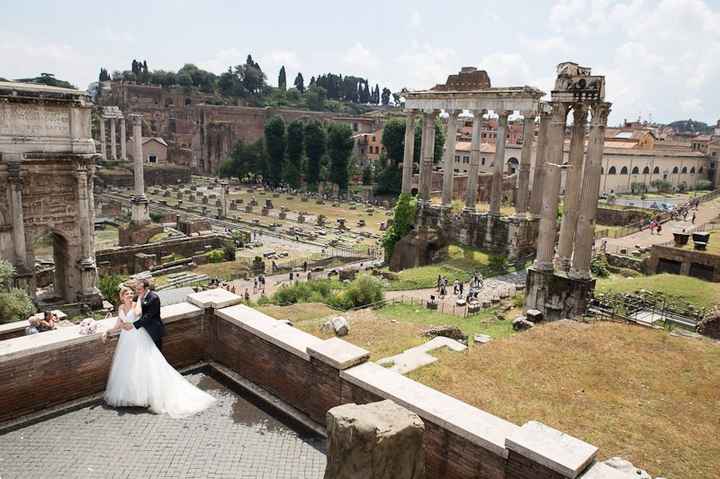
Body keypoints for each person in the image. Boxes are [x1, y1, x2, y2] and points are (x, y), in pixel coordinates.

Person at [102, 286, 215, 418]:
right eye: (127, 293)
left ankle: (148, 396)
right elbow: (119, 324)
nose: (130, 295)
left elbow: (138, 313)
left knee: (145, 365)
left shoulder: (136, 304)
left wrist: (138, 301)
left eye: (131, 293)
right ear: (121, 297)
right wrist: (107, 331)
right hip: (126, 340)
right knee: (129, 367)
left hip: (138, 337)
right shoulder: (121, 308)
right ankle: (133, 396)